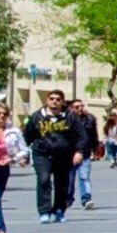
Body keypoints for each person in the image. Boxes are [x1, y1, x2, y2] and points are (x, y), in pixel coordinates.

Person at [22, 89, 78, 223]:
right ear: (47, 100)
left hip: (63, 155)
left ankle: (59, 210)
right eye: (52, 99)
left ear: (62, 102)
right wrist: (23, 154)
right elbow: (27, 136)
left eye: (58, 99)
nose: (54, 102)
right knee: (43, 180)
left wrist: (79, 151)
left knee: (62, 183)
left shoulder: (70, 117)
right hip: (42, 154)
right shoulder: (37, 116)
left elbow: (81, 136)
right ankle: (44, 211)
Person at [66, 95, 103, 212]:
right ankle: (68, 199)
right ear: (71, 108)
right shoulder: (65, 120)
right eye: (77, 107)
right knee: (69, 180)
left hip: (85, 153)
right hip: (68, 154)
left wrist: (96, 148)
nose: (80, 109)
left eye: (82, 106)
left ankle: (86, 198)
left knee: (84, 177)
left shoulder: (90, 119)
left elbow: (94, 135)